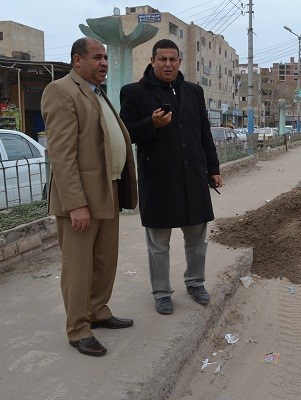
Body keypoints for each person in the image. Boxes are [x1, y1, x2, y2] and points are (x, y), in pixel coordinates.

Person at [41, 37, 138, 357]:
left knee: (104, 259)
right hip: (81, 197)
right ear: (77, 60)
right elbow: (62, 154)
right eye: (97, 57)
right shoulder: (61, 91)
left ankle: (97, 311)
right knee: (79, 265)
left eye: (106, 57)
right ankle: (77, 328)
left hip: (107, 188)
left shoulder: (98, 93)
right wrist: (76, 204)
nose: (105, 63)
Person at [119, 39, 223, 315]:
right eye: (162, 59)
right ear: (152, 61)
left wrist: (213, 169)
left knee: (197, 239)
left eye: (173, 59)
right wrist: (151, 124)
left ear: (179, 62)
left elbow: (203, 133)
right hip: (159, 180)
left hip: (192, 178)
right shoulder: (134, 93)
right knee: (158, 243)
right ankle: (162, 292)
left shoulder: (193, 91)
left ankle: (195, 283)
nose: (168, 64)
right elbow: (125, 132)